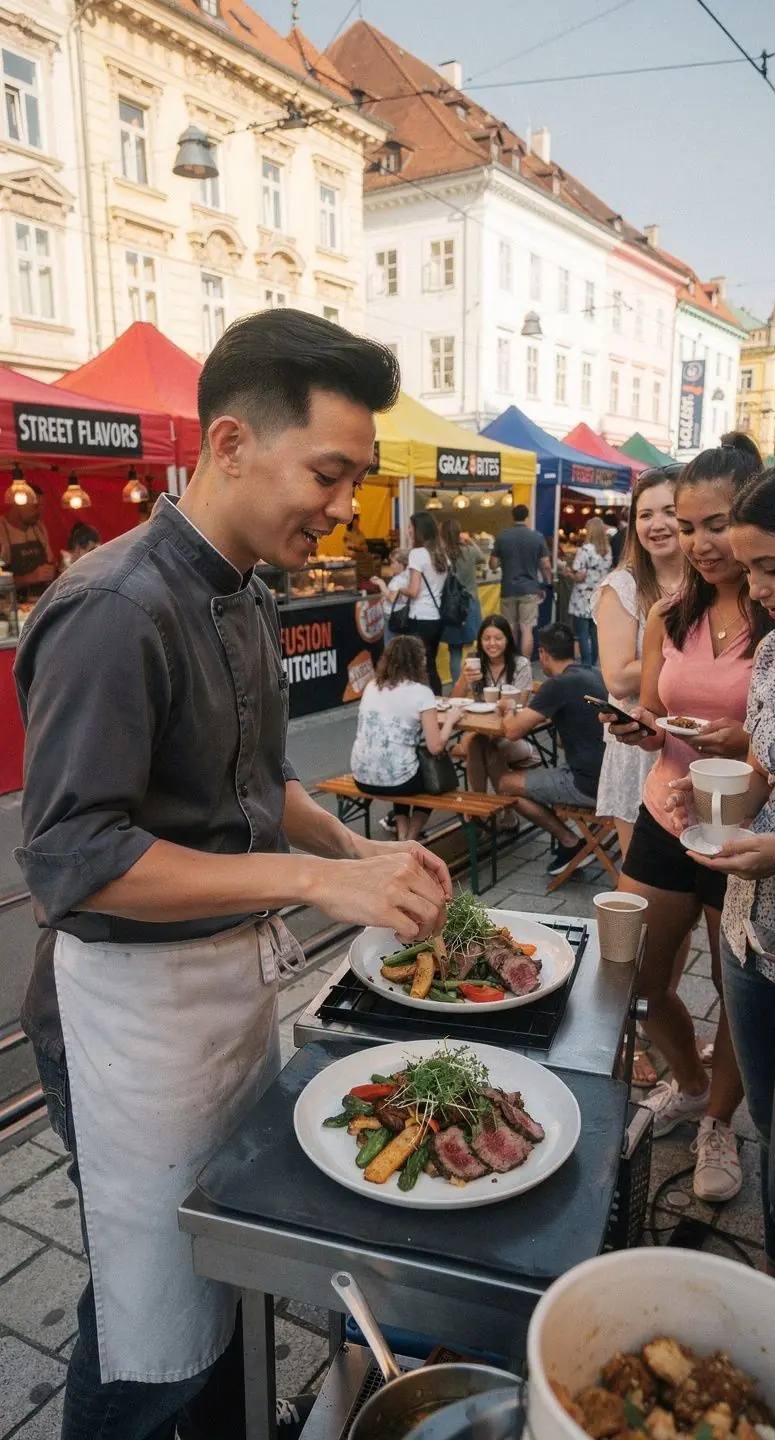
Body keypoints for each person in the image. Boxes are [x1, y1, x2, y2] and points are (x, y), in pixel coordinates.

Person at [14, 309, 451, 1440]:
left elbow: (257, 784)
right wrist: (313, 887)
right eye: (330, 472)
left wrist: (349, 849)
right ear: (227, 444)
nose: (344, 507)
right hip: (126, 1019)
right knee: (147, 1317)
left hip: (220, 998)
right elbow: (74, 861)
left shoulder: (248, 595)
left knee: (221, 1276)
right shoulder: (116, 608)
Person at [606, 438, 771, 1203]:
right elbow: (654, 706)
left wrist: (737, 742)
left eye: (718, 524)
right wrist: (640, 727)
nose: (703, 543)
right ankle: (691, 1081)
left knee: (735, 989)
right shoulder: (669, 613)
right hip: (667, 812)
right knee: (634, 972)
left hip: (747, 833)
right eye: (691, 524)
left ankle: (720, 1122)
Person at [674, 460, 775, 1301]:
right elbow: (766, 768)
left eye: (772, 567)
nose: (755, 587)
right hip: (747, 927)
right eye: (749, 567)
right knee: (769, 1136)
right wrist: (723, 817)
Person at [593, 469, 685, 856]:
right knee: (643, 886)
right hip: (639, 745)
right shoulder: (623, 586)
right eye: (645, 515)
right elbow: (616, 678)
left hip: (692, 742)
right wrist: (686, 660)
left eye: (669, 511)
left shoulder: (711, 583)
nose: (657, 524)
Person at [496, 621, 606, 875]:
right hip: (609, 779)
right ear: (574, 649)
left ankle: (570, 843)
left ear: (543, 654)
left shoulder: (557, 684)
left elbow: (512, 731)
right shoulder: (592, 673)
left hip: (588, 784)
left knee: (505, 784)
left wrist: (508, 706)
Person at [351, 635, 465, 840]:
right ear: (418, 661)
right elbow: (435, 747)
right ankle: (411, 838)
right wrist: (450, 720)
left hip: (361, 776)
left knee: (402, 761)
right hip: (397, 780)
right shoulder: (421, 693)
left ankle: (402, 834)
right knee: (433, 776)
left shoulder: (372, 685)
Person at [451, 613, 534, 807]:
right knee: (479, 744)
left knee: (480, 746)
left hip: (510, 735)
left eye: (498, 638)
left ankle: (486, 809)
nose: (492, 644)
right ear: (480, 641)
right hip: (480, 732)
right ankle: (488, 809)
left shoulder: (520, 664)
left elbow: (521, 705)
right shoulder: (474, 661)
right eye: (487, 638)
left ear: (507, 640)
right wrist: (464, 679)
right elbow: (454, 701)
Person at [490, 503, 551, 659]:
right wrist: (547, 583)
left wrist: (503, 561)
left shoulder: (502, 536)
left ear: (513, 517)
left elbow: (493, 564)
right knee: (526, 628)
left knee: (509, 628)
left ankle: (510, 661)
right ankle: (524, 665)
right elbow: (545, 565)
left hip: (508, 589)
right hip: (530, 589)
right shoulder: (537, 537)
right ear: (527, 517)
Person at [405, 510, 448, 695]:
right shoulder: (441, 554)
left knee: (415, 666)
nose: (407, 530)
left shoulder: (417, 554)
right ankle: (438, 702)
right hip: (437, 617)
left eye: (410, 527)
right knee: (430, 664)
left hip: (420, 616)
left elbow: (413, 591)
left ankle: (419, 708)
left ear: (418, 530)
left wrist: (399, 589)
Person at [440, 517, 482, 682]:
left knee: (454, 650)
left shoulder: (441, 555)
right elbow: (482, 557)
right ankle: (473, 684)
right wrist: (469, 539)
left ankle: (458, 687)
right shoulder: (469, 551)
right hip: (470, 603)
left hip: (450, 606)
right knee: (473, 647)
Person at [568, 515, 612, 665]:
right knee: (595, 634)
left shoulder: (586, 550)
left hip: (582, 596)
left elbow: (579, 576)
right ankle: (593, 664)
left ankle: (586, 665)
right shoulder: (607, 550)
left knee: (582, 634)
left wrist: (568, 573)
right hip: (598, 595)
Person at [1, 483, 56, 599]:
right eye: (35, 506)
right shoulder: (2, 530)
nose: (39, 512)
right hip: (10, 607)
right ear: (18, 503)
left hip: (39, 601)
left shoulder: (39, 528)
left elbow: (51, 561)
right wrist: (30, 578)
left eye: (42, 506)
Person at [370, 547, 410, 643]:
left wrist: (381, 584)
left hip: (392, 614)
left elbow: (392, 598)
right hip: (401, 613)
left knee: (390, 643)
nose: (390, 565)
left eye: (393, 562)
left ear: (401, 564)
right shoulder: (407, 576)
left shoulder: (399, 580)